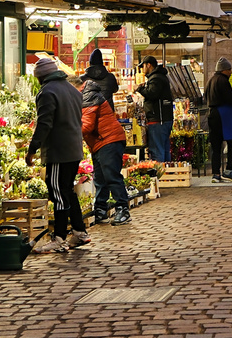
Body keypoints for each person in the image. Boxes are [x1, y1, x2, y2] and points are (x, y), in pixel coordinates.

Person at [26, 57, 90, 252]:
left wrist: (32, 149)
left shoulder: (47, 92)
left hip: (58, 151)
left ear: (40, 77)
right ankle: (79, 232)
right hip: (73, 149)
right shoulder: (71, 89)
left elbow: (45, 124)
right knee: (67, 191)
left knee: (57, 192)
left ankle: (60, 237)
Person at [81, 49, 130, 226]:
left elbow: (86, 126)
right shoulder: (109, 78)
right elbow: (115, 89)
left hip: (107, 138)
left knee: (111, 175)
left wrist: (67, 131)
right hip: (101, 139)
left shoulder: (88, 94)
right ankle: (100, 209)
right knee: (100, 177)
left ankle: (122, 209)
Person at [205, 59, 232, 183]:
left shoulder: (210, 80)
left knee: (216, 146)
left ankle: (216, 173)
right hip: (223, 114)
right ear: (224, 70)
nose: (231, 72)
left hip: (212, 114)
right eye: (229, 70)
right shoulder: (222, 81)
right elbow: (230, 99)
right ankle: (229, 170)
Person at [137, 57, 174, 164]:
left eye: (143, 66)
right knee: (164, 149)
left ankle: (160, 176)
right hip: (164, 119)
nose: (142, 69)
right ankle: (167, 175)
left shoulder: (156, 78)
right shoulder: (160, 77)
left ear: (149, 65)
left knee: (157, 151)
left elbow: (152, 94)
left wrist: (140, 89)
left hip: (158, 119)